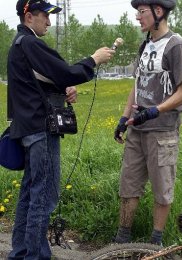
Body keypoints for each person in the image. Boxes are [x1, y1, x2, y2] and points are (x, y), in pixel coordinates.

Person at [7, 0, 115, 259]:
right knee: (43, 198)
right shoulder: (31, 43)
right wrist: (93, 60)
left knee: (29, 197)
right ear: (29, 16)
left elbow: (43, 82)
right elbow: (65, 72)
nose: (49, 21)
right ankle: (35, 256)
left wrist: (62, 89)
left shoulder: (18, 45)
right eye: (45, 15)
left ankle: (20, 252)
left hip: (28, 130)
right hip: (41, 130)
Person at [114, 0, 182, 245]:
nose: (137, 17)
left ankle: (154, 243)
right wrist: (125, 117)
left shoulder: (175, 45)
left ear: (158, 12)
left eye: (142, 12)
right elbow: (137, 84)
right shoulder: (145, 45)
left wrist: (155, 111)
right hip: (137, 130)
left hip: (162, 131)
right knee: (128, 186)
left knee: (162, 190)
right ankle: (122, 239)